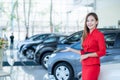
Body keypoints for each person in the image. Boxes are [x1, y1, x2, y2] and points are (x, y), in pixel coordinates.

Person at [62, 12, 106, 80]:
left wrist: (87, 55)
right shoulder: (86, 35)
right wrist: (71, 49)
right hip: (84, 65)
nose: (89, 22)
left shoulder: (99, 35)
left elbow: (102, 52)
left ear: (96, 22)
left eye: (92, 20)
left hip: (93, 66)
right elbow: (84, 52)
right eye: (87, 21)